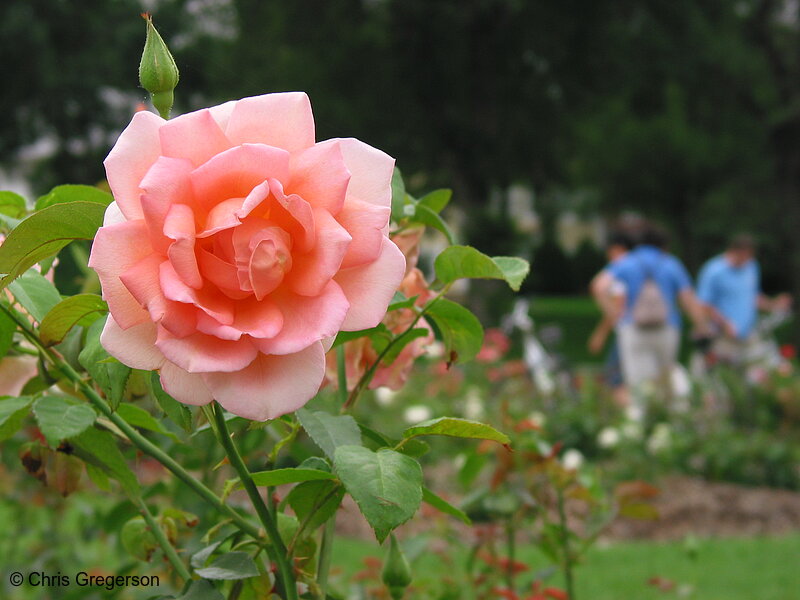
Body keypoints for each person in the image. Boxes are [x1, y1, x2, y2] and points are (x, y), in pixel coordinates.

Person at [608, 226, 706, 401]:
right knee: (664, 378)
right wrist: (701, 326)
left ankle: (641, 418)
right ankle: (665, 419)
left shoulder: (627, 262)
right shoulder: (671, 263)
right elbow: (688, 299)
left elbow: (599, 286)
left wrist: (615, 315)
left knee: (638, 382)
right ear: (664, 245)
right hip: (667, 327)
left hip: (634, 328)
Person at [696, 234, 791, 365]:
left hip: (748, 332)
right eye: (745, 256)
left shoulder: (751, 266)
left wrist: (774, 304)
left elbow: (753, 297)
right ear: (734, 251)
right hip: (722, 335)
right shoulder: (714, 270)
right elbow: (703, 304)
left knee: (758, 370)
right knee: (722, 374)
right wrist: (724, 323)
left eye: (750, 256)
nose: (747, 260)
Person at [587, 230, 633, 405]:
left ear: (617, 249)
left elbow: (616, 307)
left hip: (627, 331)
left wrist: (600, 334)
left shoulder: (622, 269)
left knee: (616, 379)